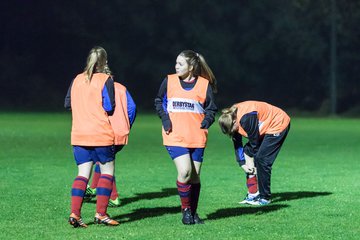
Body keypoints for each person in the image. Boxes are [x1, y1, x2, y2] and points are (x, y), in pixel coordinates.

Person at [154, 50, 217, 224]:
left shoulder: (204, 85)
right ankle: (186, 211)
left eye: (180, 64)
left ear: (191, 67)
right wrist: (165, 119)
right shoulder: (169, 81)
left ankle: (194, 213)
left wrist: (208, 120)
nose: (176, 67)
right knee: (185, 171)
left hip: (196, 136)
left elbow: (211, 108)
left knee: (195, 177)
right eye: (176, 63)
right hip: (174, 135)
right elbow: (158, 101)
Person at [64, 46, 119, 227]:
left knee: (82, 174)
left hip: (79, 134)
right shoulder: (106, 79)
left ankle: (75, 214)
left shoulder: (77, 79)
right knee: (107, 171)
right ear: (105, 62)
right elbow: (110, 107)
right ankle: (101, 214)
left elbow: (67, 103)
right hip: (100, 133)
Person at [218, 101, 290, 205]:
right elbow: (238, 145)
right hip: (266, 127)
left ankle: (265, 198)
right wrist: (242, 163)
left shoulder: (246, 118)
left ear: (234, 122)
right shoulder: (231, 118)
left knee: (262, 160)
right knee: (247, 152)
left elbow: (255, 144)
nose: (232, 133)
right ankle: (253, 194)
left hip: (278, 123)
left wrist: (256, 167)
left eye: (231, 130)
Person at [85, 81, 137, 207]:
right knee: (102, 159)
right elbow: (132, 107)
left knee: (105, 162)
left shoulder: (98, 87)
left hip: (105, 131)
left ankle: (114, 197)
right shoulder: (122, 88)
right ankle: (94, 187)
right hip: (120, 132)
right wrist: (126, 125)